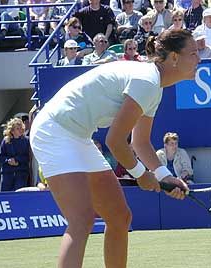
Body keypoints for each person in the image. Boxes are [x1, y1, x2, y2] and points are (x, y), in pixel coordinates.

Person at [30, 29, 198, 268]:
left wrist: (164, 176)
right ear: (173, 58)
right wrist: (141, 175)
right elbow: (115, 141)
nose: (198, 59)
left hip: (78, 135)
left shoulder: (154, 87)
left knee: (120, 217)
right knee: (82, 219)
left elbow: (140, 142)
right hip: (54, 130)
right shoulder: (147, 81)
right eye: (192, 53)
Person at [0, 118, 30, 191]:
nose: (20, 130)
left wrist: (16, 160)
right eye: (17, 128)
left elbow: (28, 157)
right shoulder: (6, 140)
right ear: (12, 131)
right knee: (5, 195)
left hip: (21, 173)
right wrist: (8, 160)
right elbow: (0, 156)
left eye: (21, 128)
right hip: (7, 174)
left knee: (19, 196)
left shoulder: (26, 140)